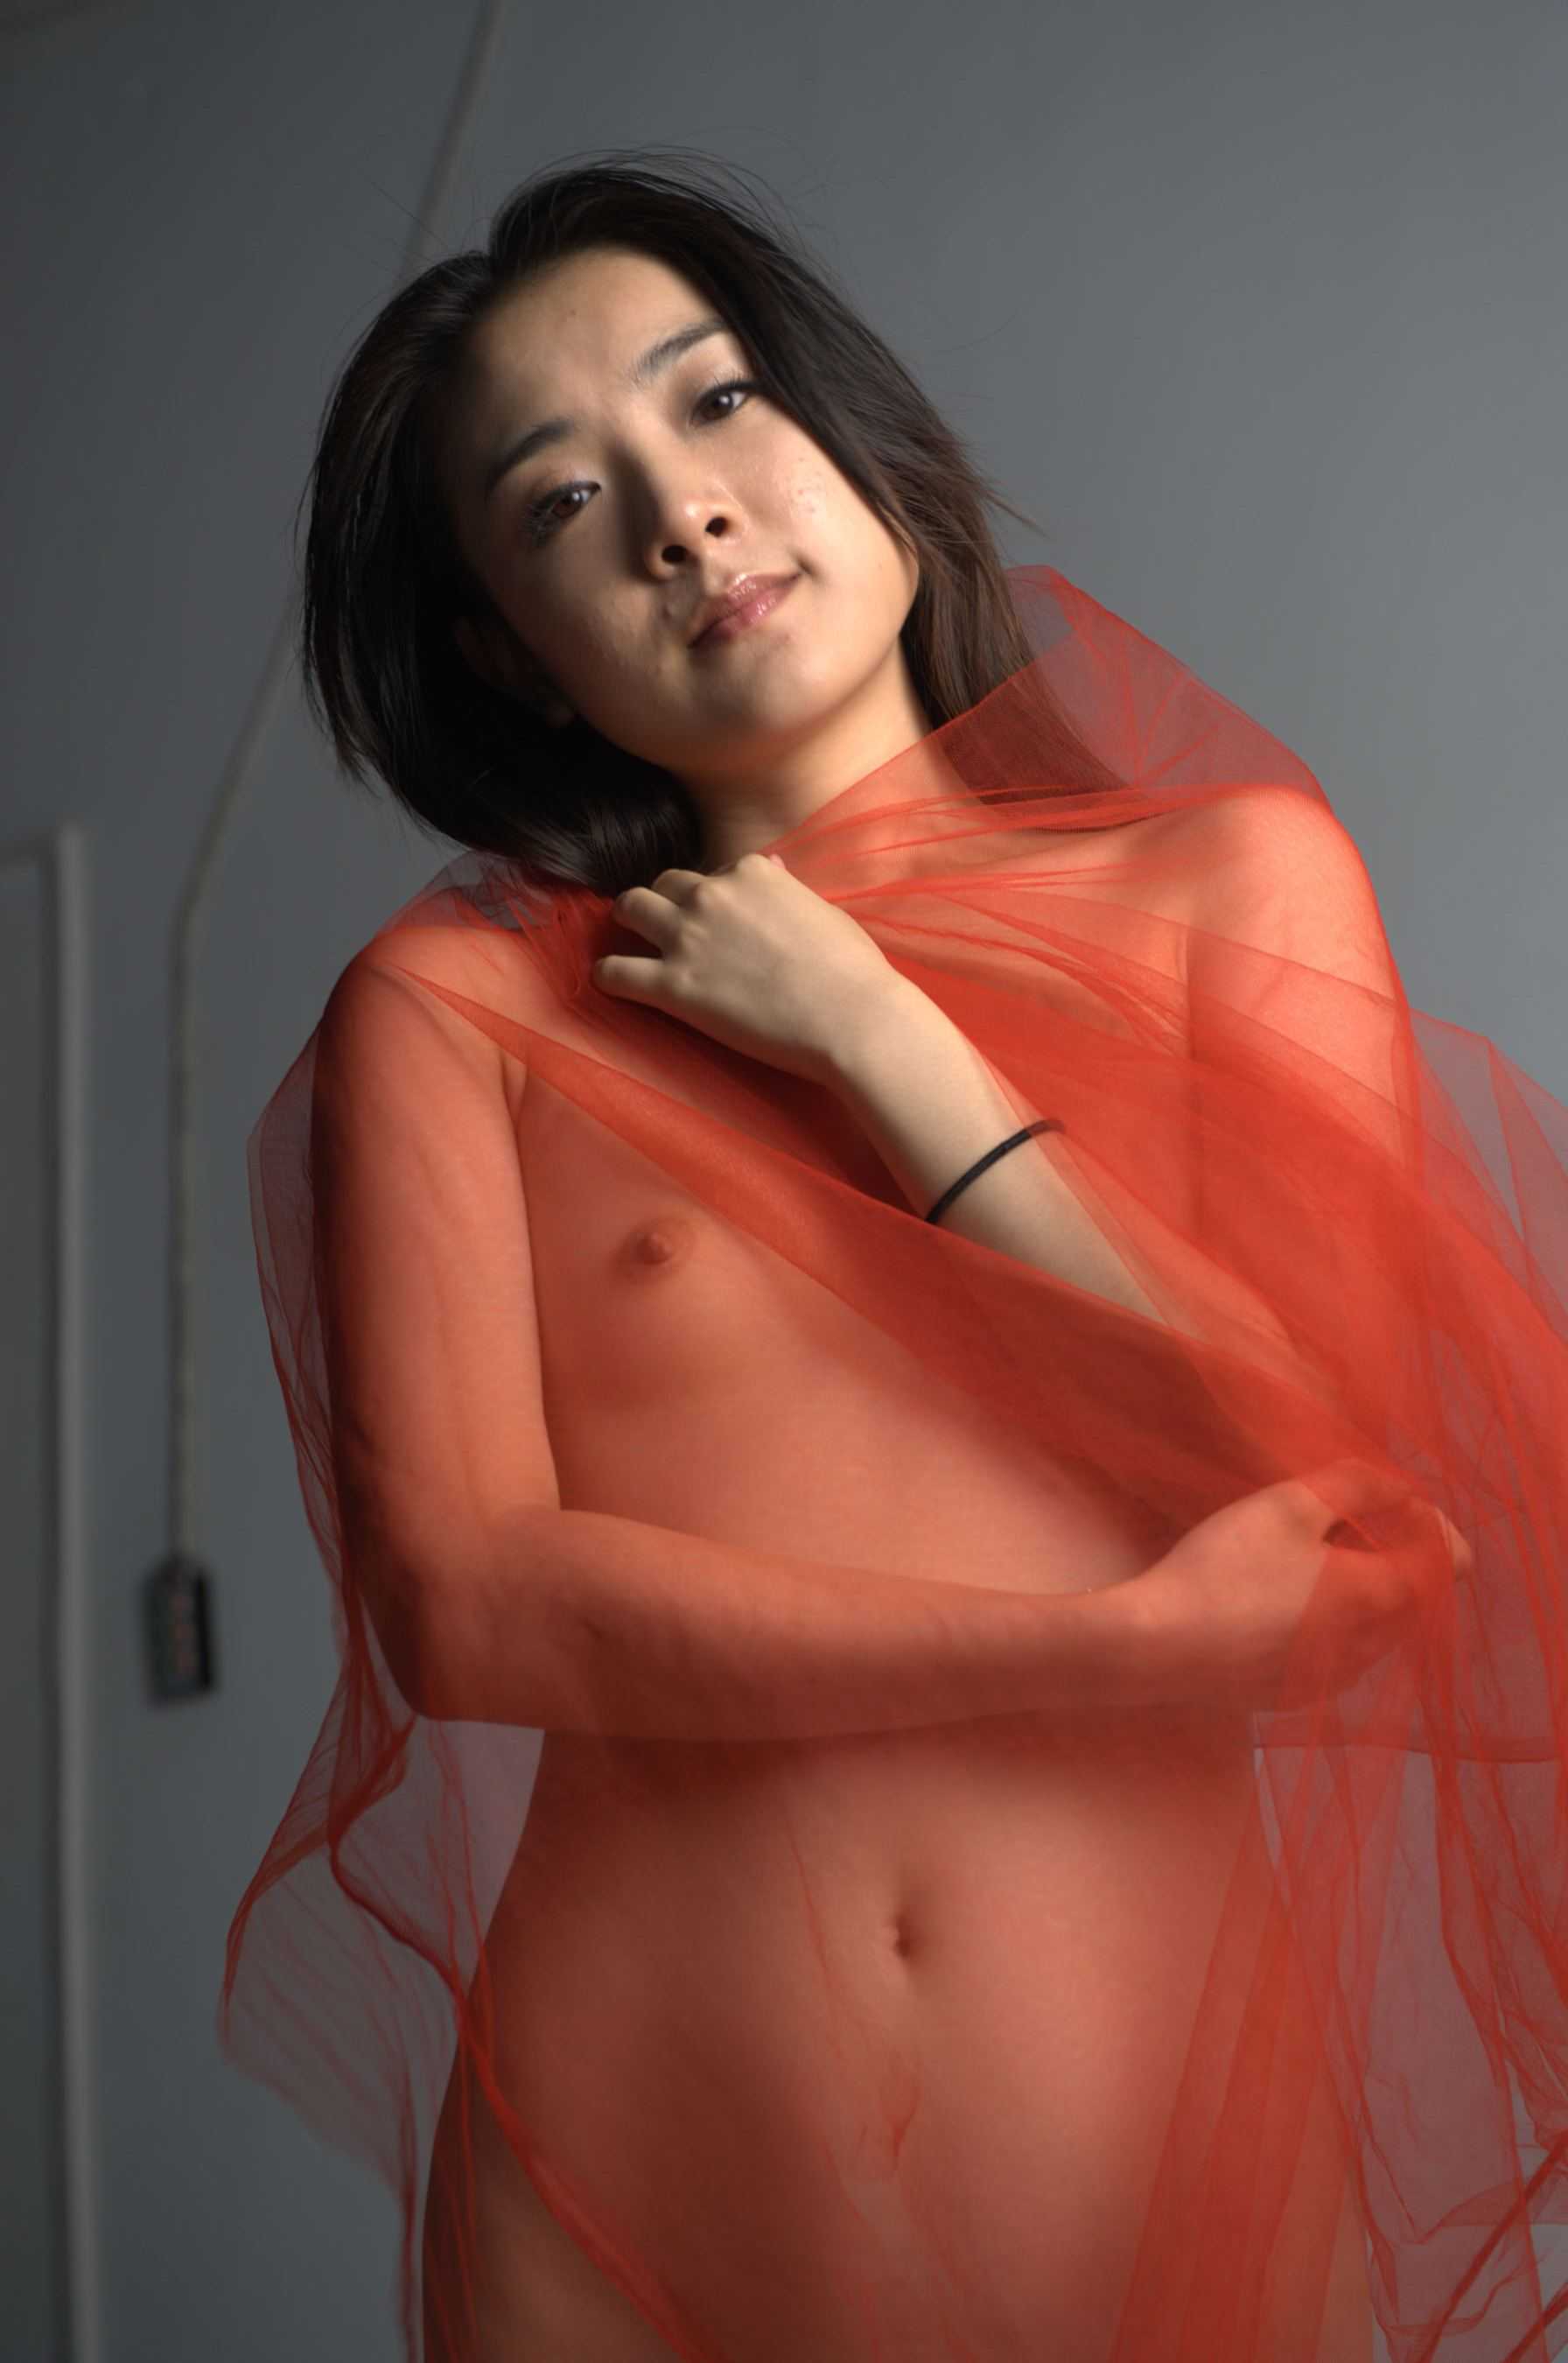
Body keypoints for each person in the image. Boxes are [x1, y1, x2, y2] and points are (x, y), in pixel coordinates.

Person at [220, 152, 1564, 2363]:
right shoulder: (457, 1016)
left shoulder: (1227, 885)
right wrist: (1104, 1653)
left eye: (716, 400)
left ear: (857, 442)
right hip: (627, 2159)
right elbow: (463, 1604)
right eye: (562, 502)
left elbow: (1326, 1480)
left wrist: (881, 1042)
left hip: (1149, 2148)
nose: (682, 516)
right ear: (501, 652)